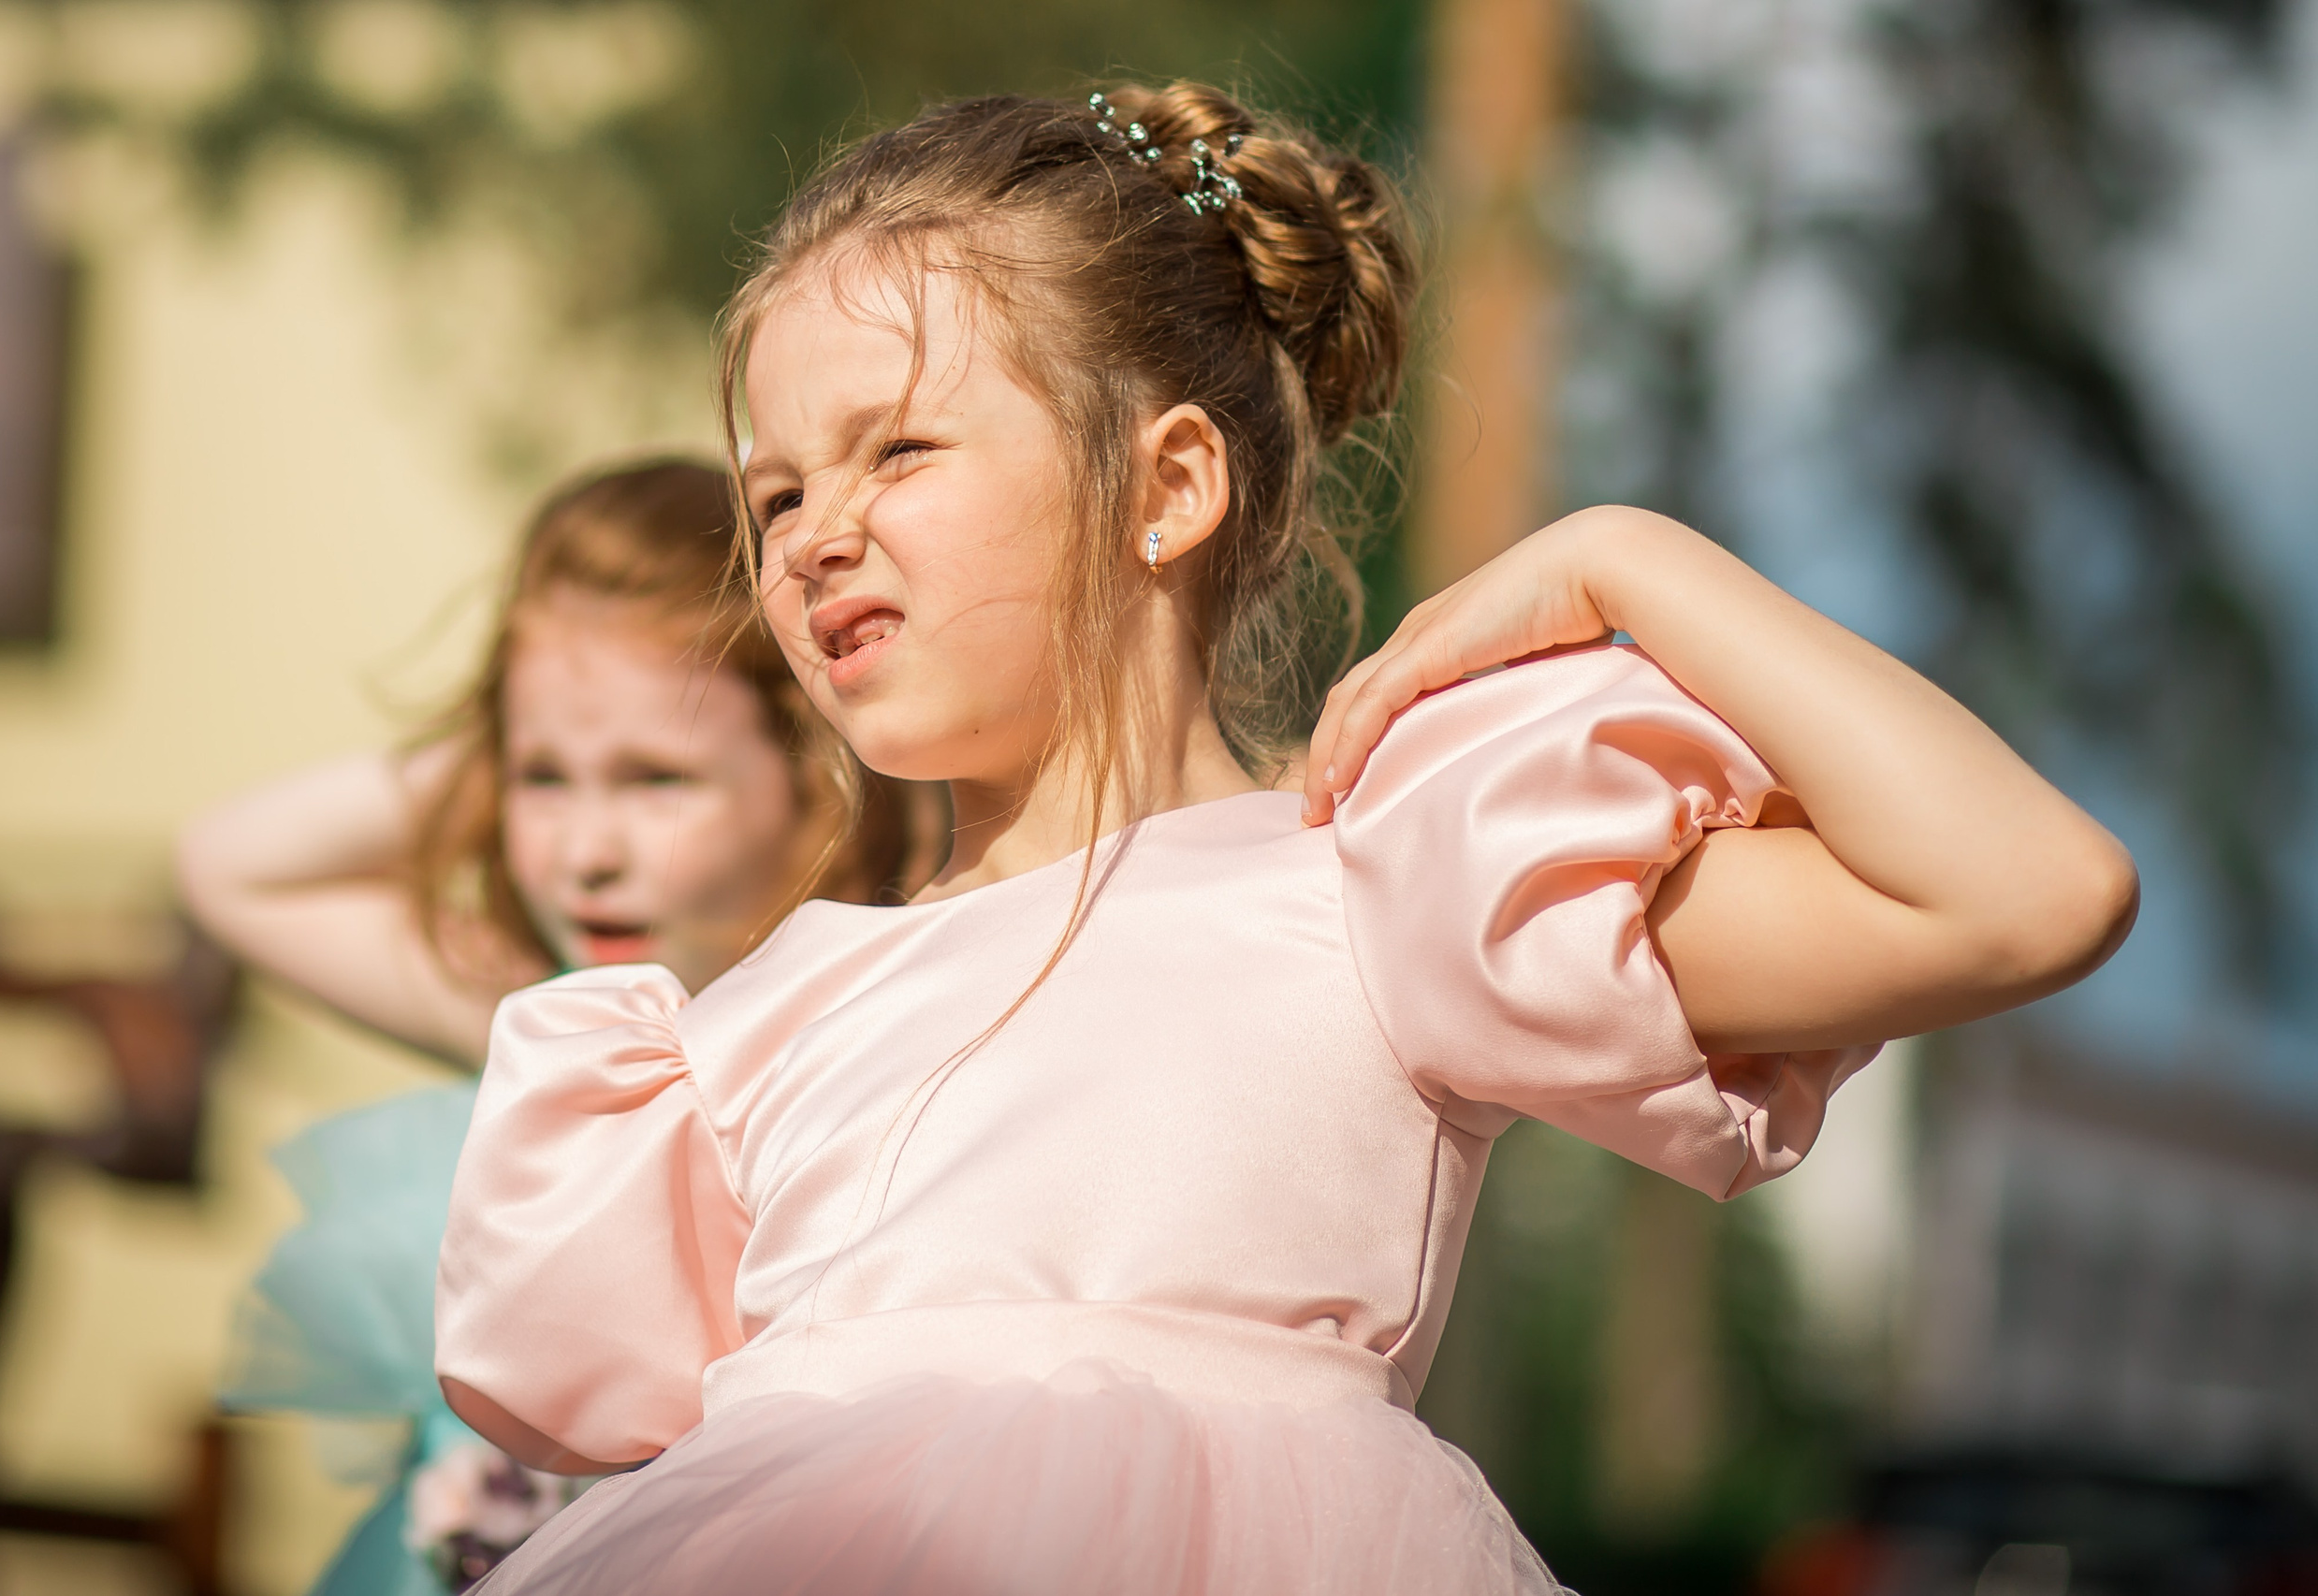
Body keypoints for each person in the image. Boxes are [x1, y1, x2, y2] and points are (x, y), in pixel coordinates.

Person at [433, 86, 2140, 1595]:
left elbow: (2028, 894)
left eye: (901, 449)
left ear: (1167, 488)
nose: (818, 536)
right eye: (779, 491)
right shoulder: (740, 1029)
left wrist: (1630, 561)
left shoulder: (1401, 882)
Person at [179, 459, 923, 1594]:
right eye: (543, 780)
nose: (586, 853)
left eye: (655, 778)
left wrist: (565, 735)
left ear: (811, 767)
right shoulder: (541, 1015)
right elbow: (230, 863)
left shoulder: (879, 1025)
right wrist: (538, 711)